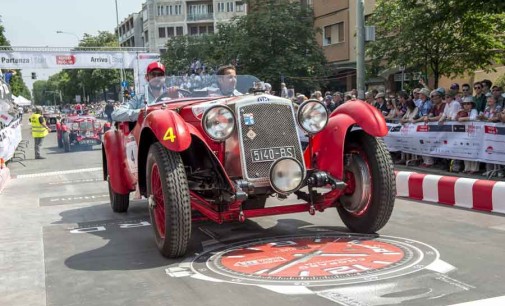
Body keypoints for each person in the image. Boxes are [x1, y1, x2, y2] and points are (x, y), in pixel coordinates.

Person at [112, 61, 178, 122]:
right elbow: (116, 114)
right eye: (153, 74)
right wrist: (143, 112)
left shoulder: (174, 95)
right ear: (147, 77)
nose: (157, 77)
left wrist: (175, 101)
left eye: (160, 74)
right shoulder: (139, 99)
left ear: (164, 77)